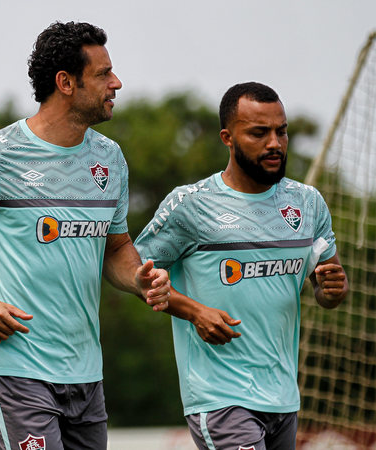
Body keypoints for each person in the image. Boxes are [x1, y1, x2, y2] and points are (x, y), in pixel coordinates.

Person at [0, 21, 171, 450]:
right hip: (14, 367)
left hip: (86, 373)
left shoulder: (109, 158)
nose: (116, 83)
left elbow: (115, 248)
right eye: (103, 74)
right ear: (65, 82)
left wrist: (139, 278)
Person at [134, 82, 349, 450]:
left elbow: (328, 289)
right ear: (227, 137)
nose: (275, 144)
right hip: (221, 398)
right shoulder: (191, 205)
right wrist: (194, 311)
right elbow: (134, 275)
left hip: (283, 397)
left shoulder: (307, 202)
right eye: (259, 133)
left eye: (281, 131)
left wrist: (331, 290)